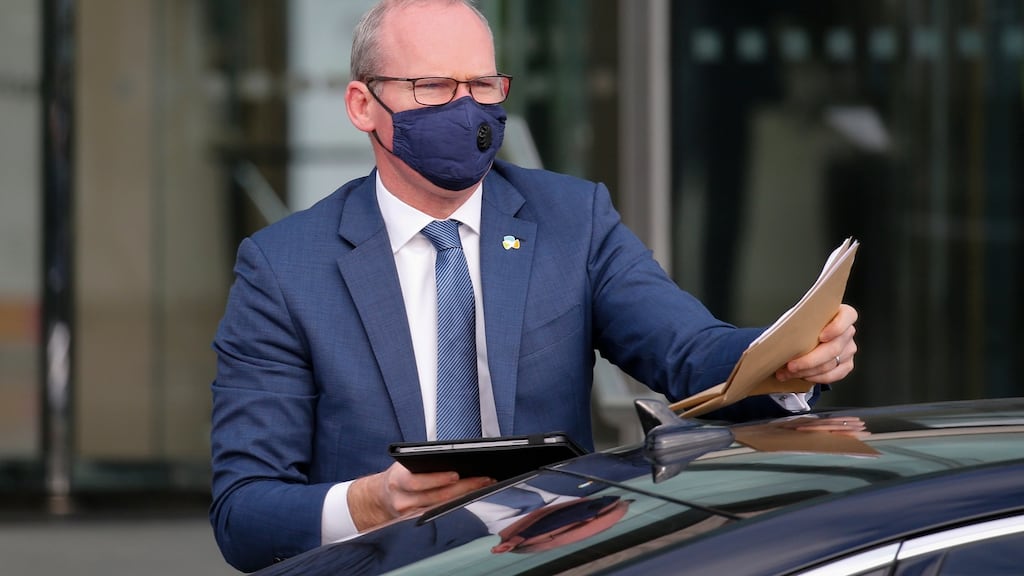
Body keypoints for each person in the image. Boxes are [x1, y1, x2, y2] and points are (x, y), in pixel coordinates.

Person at [209, 0, 860, 571]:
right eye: (433, 86)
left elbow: (687, 350)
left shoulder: (572, 221)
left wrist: (785, 355)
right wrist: (367, 502)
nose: (467, 110)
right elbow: (244, 512)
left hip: (555, 562)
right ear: (363, 106)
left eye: (483, 84)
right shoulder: (284, 268)